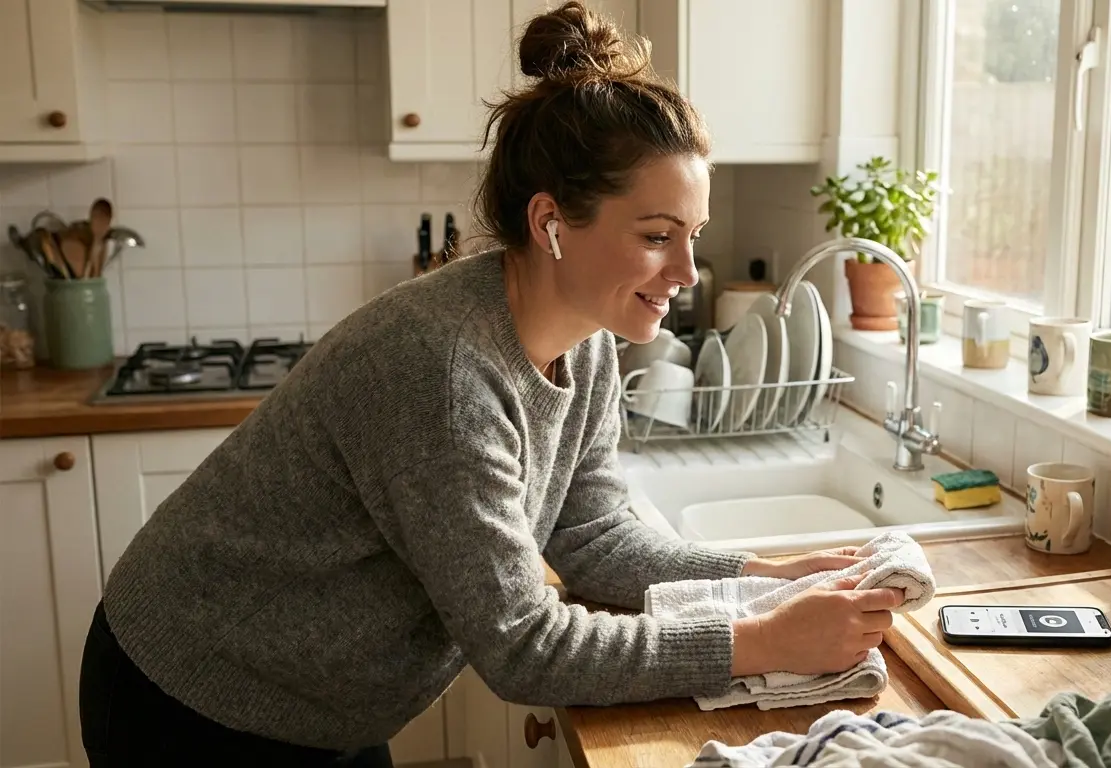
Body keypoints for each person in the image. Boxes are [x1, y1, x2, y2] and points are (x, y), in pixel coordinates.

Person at [76, 3, 906, 766]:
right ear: (551, 224)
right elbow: (523, 645)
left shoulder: (580, 341)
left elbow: (594, 535)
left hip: (322, 705)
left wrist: (764, 574)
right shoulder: (442, 373)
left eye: (693, 235)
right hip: (194, 700)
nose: (686, 271)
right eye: (657, 235)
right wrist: (762, 640)